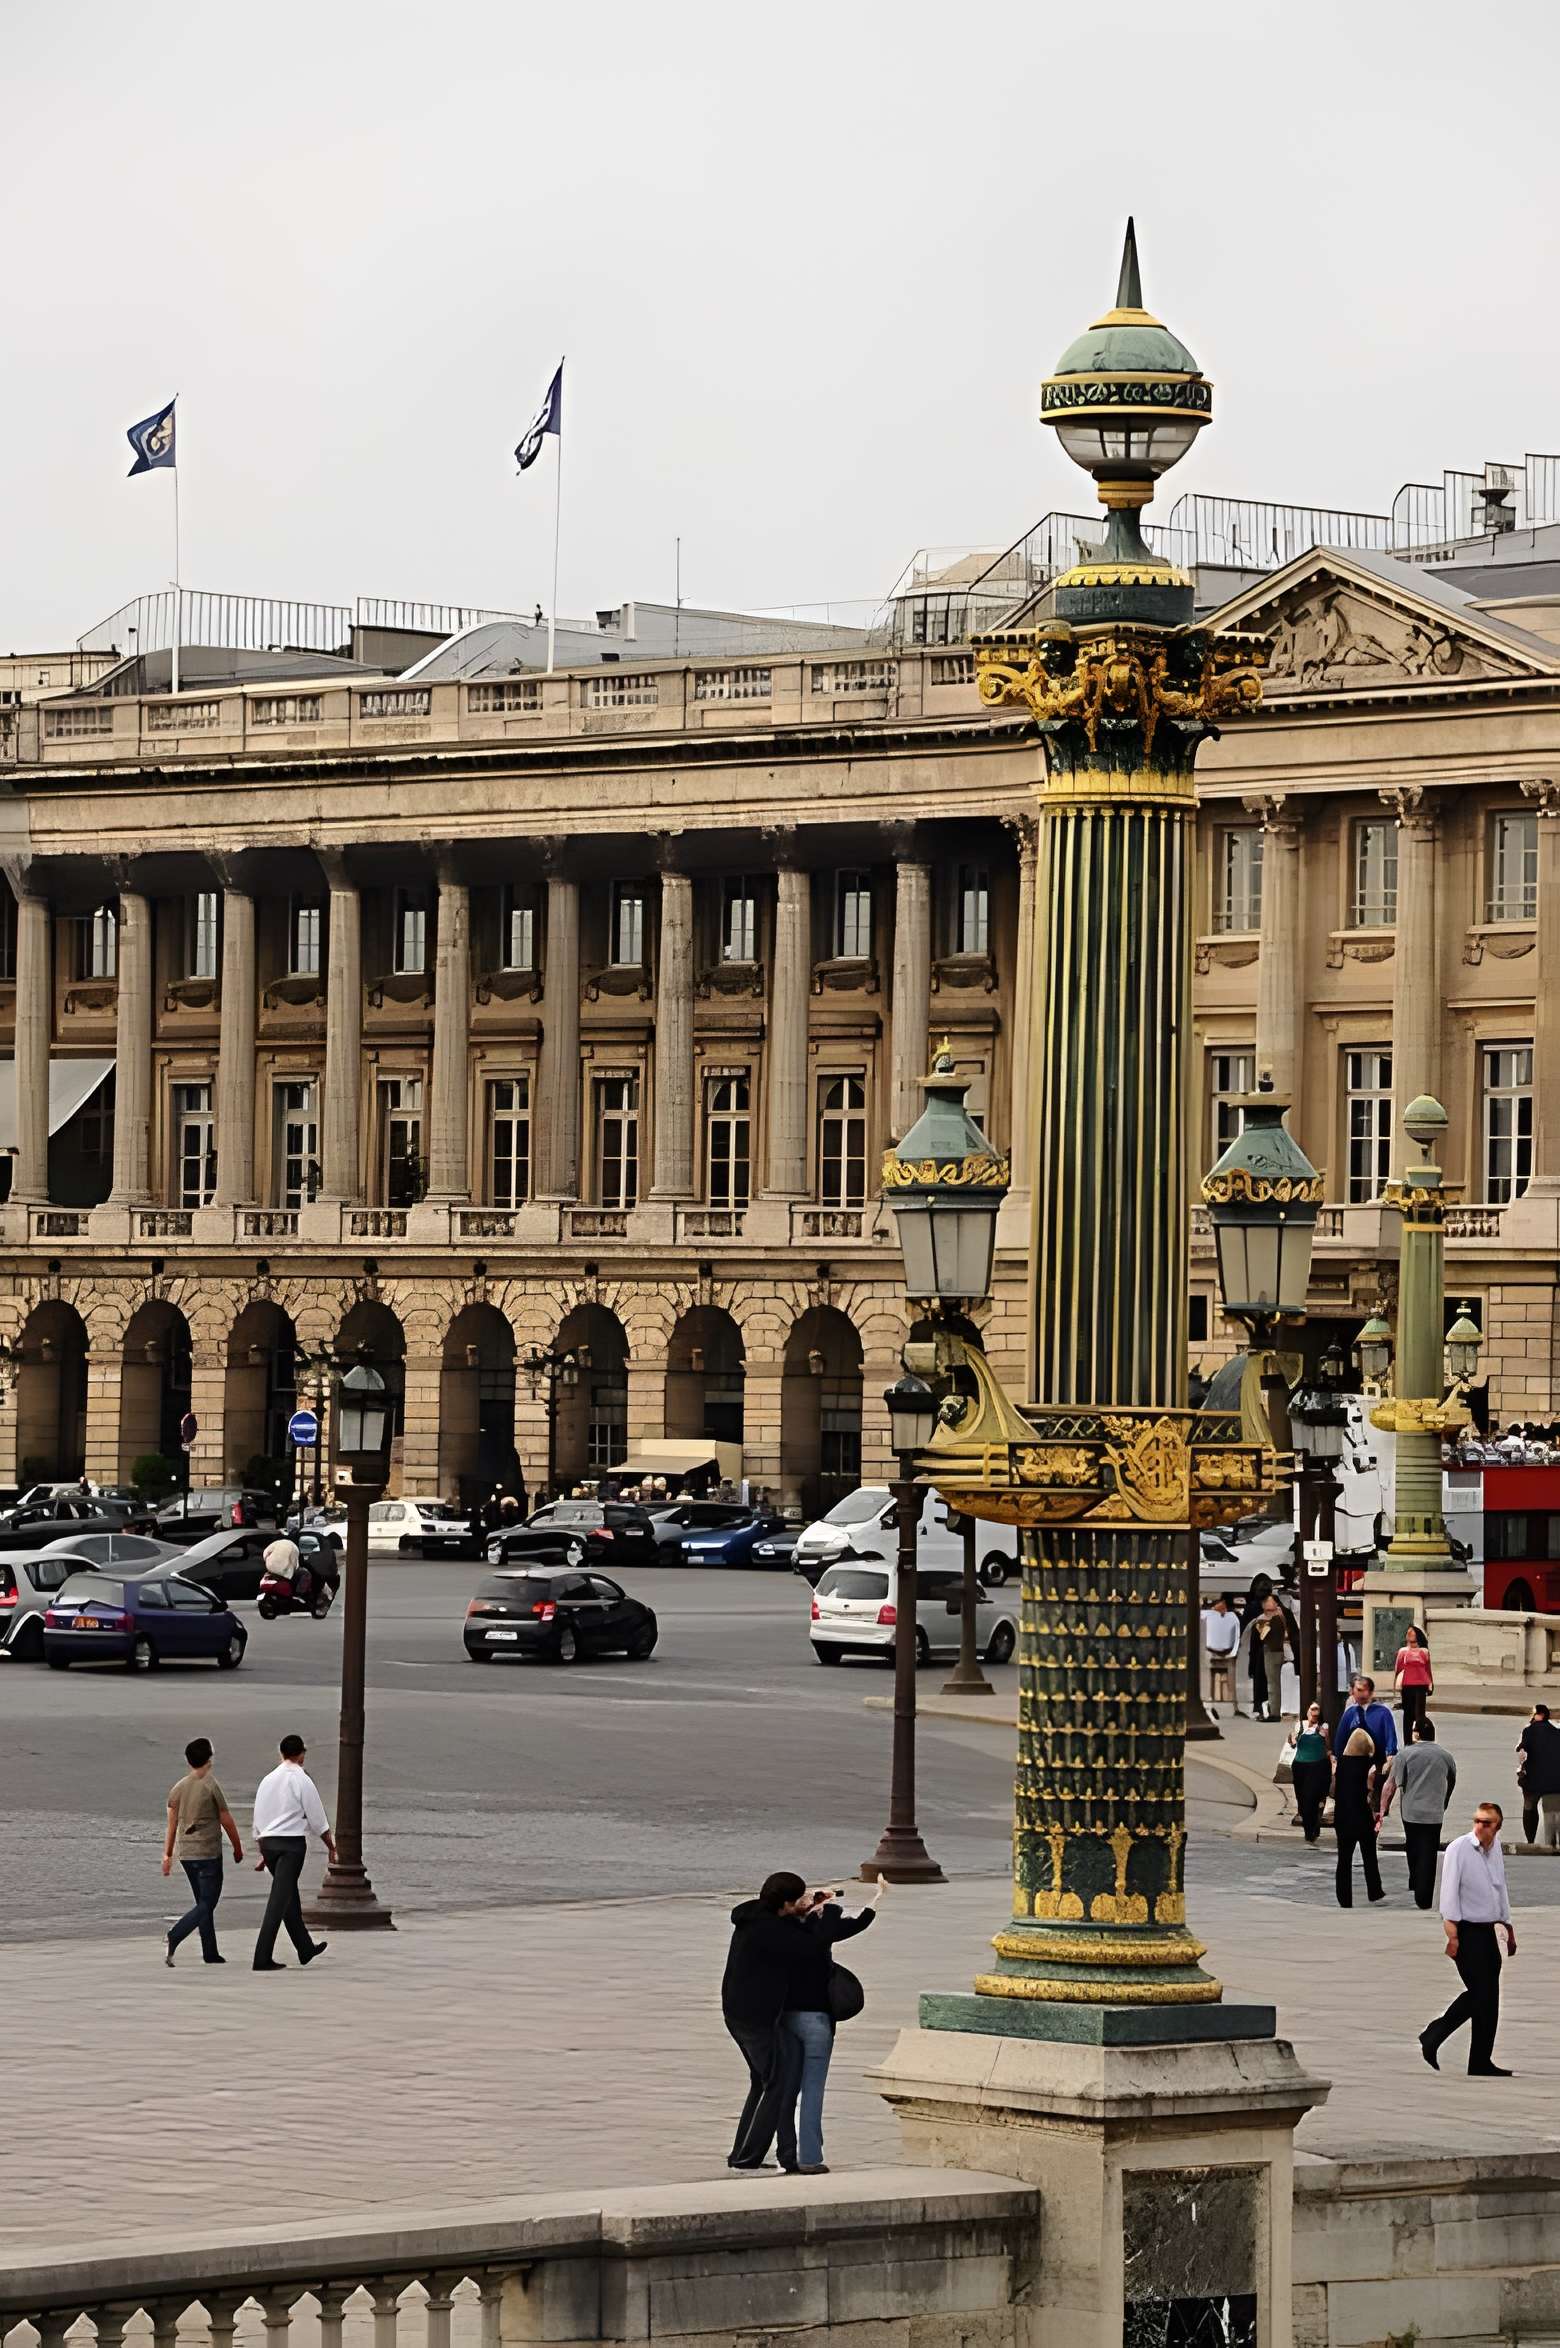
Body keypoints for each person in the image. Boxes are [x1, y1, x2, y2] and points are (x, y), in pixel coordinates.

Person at [781, 1883, 882, 2175]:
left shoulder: (779, 1929)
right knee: (813, 2089)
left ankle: (784, 2152)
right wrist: (828, 1908)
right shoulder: (821, 1934)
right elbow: (859, 1921)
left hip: (785, 2017)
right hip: (817, 2020)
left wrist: (807, 1906)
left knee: (785, 2088)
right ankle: (810, 2158)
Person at [721, 1872, 810, 2171]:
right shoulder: (772, 1931)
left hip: (736, 2013)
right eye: (798, 1899)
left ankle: (741, 2154)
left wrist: (798, 1911)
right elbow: (804, 1950)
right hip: (756, 2018)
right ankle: (748, 2158)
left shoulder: (752, 1916)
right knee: (778, 2082)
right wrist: (810, 1916)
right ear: (785, 1903)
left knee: (761, 2081)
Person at [1420, 1801, 1517, 2076]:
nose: (1480, 1827)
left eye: (1487, 1823)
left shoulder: (1494, 1848)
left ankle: (1480, 2061)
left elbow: (1500, 1888)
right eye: (1477, 1820)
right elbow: (1448, 1893)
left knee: (1489, 1999)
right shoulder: (1459, 1849)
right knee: (1480, 1994)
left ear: (1497, 1827)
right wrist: (1452, 1935)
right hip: (1465, 1931)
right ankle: (1434, 2033)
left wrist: (1508, 1927)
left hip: (1487, 1931)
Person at [252, 1734, 335, 1972]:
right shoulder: (302, 1779)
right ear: (301, 1754)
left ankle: (305, 1948)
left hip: (268, 1844)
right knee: (278, 1901)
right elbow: (317, 1818)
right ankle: (261, 1957)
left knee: (288, 1895)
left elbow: (259, 1818)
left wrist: (262, 1852)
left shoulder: (267, 1779)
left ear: (281, 1754)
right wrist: (331, 1847)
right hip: (290, 1846)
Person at [162, 1735, 243, 1966]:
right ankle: (175, 1934)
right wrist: (238, 1847)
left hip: (187, 1855)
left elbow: (172, 1824)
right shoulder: (211, 1785)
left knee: (202, 1901)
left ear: (189, 1761)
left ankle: (210, 1952)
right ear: (209, 1758)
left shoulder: (178, 1788)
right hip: (208, 1853)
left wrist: (167, 1854)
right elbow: (226, 1819)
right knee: (208, 1902)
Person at [1382, 1717, 1457, 1909]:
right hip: (1434, 1812)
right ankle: (1425, 1895)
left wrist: (1383, 1809)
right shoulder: (1446, 1756)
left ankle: (1415, 1882)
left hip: (1411, 1812)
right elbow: (1452, 1780)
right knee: (1429, 1853)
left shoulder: (1405, 1755)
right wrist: (1444, 1801)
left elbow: (1390, 1785)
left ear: (1416, 1734)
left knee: (1413, 1847)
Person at [1333, 1726, 1386, 1908]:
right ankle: (1374, 1889)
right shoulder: (1365, 1764)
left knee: (1344, 1860)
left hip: (1342, 1817)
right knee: (1369, 1854)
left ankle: (1344, 1898)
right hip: (1361, 1816)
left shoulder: (1341, 1763)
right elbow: (1381, 1758)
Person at [1334, 1675, 1398, 1786]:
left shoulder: (1383, 1713)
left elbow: (1390, 1738)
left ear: (1371, 1692)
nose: (1357, 1692)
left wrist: (1389, 1757)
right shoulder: (1350, 1713)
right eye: (1356, 1689)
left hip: (1376, 1765)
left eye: (1361, 1690)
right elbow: (1340, 1740)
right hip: (1352, 1766)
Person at [1515, 1703, 1560, 1846]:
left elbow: (1522, 1752)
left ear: (1536, 1716)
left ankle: (1530, 1841)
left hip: (1534, 1781)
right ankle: (1553, 1841)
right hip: (1556, 1781)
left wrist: (1521, 1770)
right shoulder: (1558, 1732)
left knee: (1529, 1805)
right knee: (1554, 1809)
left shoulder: (1528, 1731)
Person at [1288, 1703, 1331, 1844]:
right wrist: (1293, 1738)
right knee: (1303, 1799)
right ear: (1307, 1711)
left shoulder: (1323, 1727)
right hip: (1300, 1766)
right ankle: (1308, 1827)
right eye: (1312, 1708)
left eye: (1317, 1709)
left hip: (1318, 1766)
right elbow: (1293, 1743)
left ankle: (1314, 1825)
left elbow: (1328, 1746)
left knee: (1314, 1797)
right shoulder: (1299, 1726)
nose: (1315, 1711)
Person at [1254, 1593, 1292, 1723]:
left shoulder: (1276, 1617)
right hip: (1273, 1651)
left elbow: (1264, 1635)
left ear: (1276, 1603)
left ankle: (1274, 1712)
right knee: (1273, 1682)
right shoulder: (1267, 1618)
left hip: (1273, 1652)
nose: (1265, 1604)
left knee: (1273, 1683)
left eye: (1268, 1601)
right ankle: (1273, 1709)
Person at [1393, 1625, 1434, 1737]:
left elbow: (1427, 1668)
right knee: (1408, 1714)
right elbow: (1398, 1669)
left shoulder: (1424, 1651)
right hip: (1407, 1685)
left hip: (1421, 1685)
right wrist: (1396, 1686)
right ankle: (1408, 1741)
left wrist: (1431, 1684)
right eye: (1408, 1632)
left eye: (1412, 1632)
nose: (1409, 1633)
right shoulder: (1403, 1651)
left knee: (1419, 1714)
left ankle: (1421, 1736)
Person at [1204, 1594, 1240, 1716]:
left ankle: (1232, 1706)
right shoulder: (1207, 1615)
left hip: (1228, 1652)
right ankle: (1209, 1704)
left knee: (1230, 1681)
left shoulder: (1232, 1617)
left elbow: (1237, 1636)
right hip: (1209, 1651)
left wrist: (1233, 1652)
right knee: (1208, 1679)